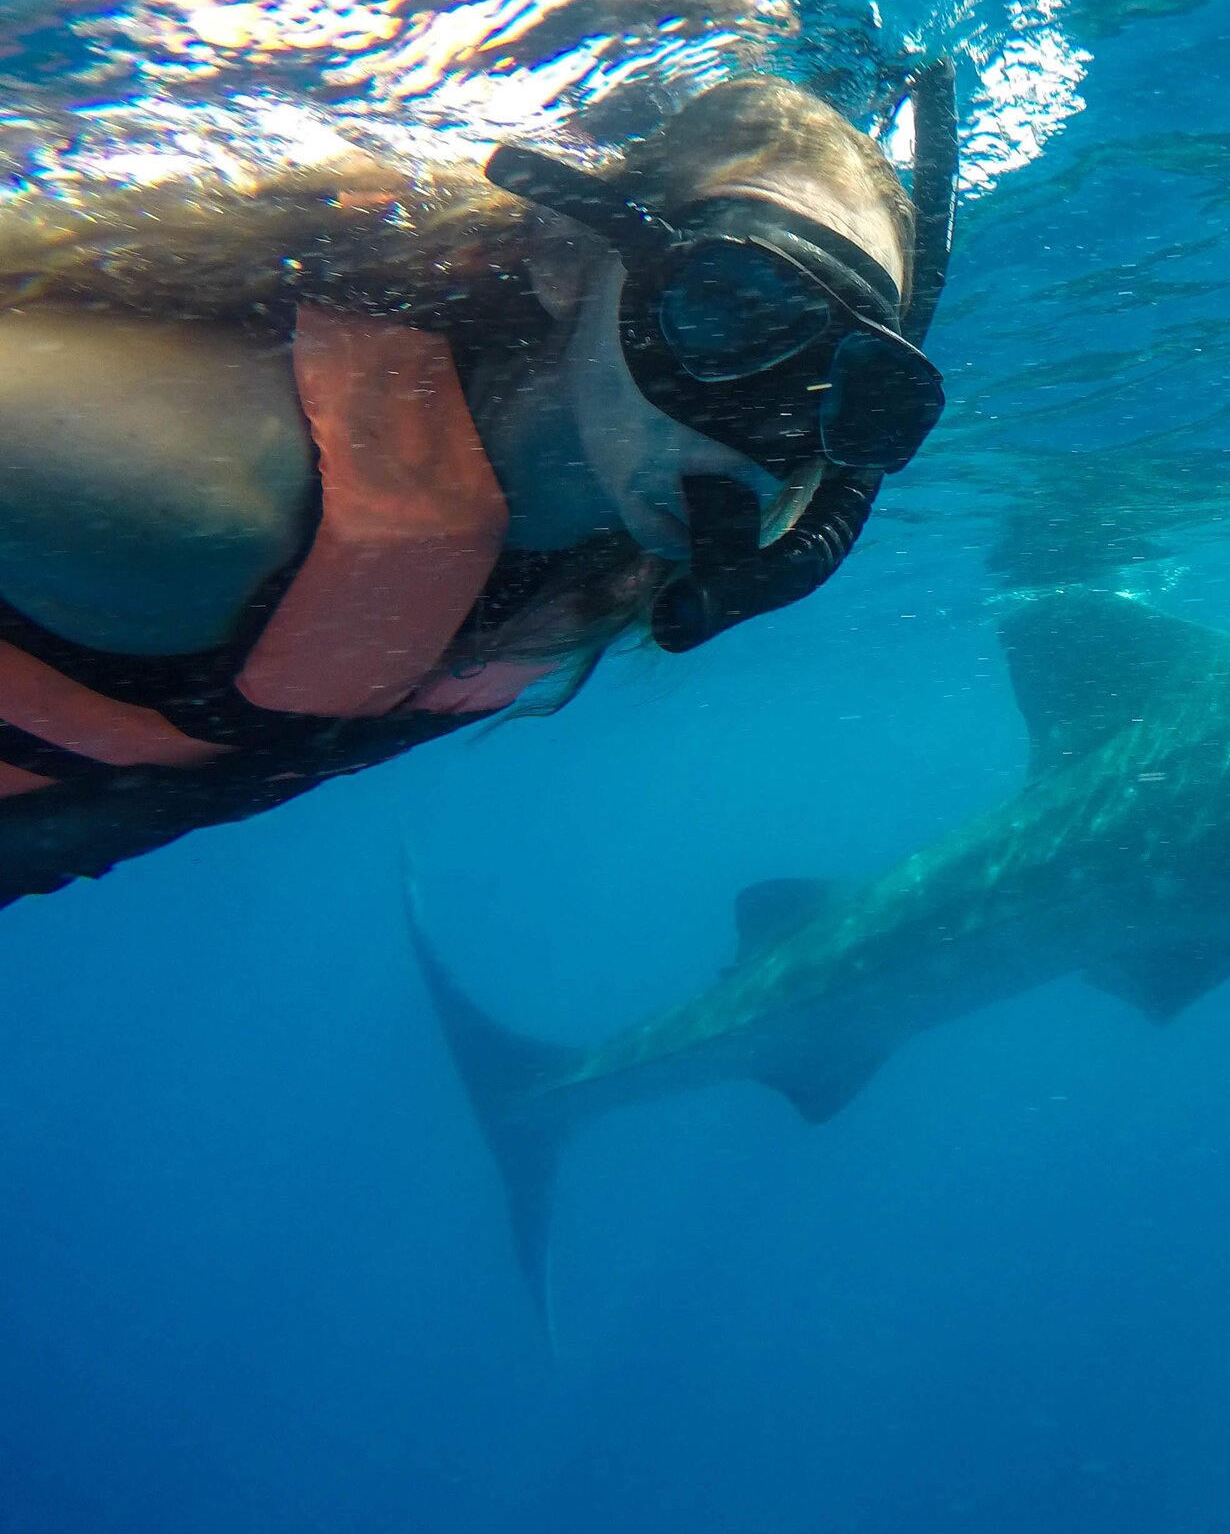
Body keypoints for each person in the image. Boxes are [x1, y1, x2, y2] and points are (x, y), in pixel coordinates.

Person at [0, 63, 956, 906]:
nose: (774, 426)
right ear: (562, 256)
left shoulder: (608, 560)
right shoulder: (185, 486)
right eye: (734, 310)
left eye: (851, 388)